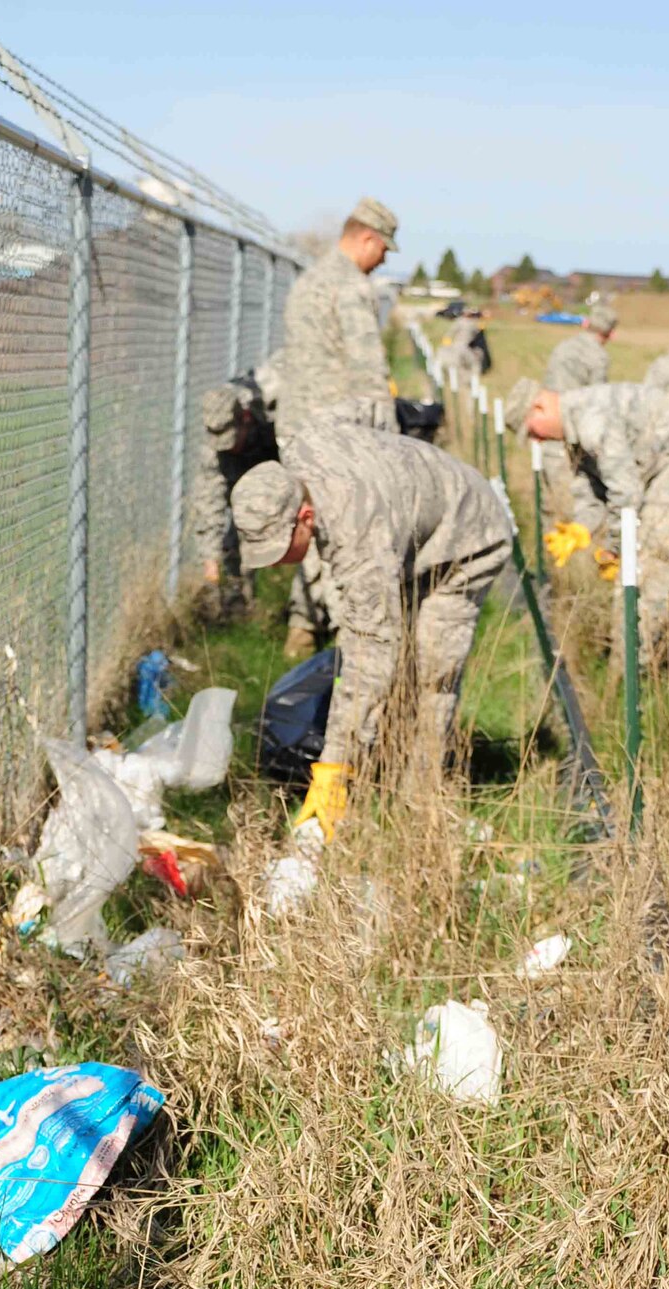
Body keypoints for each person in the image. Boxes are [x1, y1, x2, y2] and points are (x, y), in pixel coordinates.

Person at [230, 423, 512, 840]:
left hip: (465, 539)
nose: (273, 565)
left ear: (305, 517)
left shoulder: (356, 532)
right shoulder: (295, 462)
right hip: (407, 525)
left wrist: (332, 770)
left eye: (277, 550)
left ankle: (422, 806)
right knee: (395, 655)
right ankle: (387, 761)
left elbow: (369, 651)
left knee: (430, 666)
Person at [507, 378, 669, 659]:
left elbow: (626, 494)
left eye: (532, 432)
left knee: (649, 566)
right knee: (656, 567)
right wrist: (580, 528)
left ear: (539, 406)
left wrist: (614, 549)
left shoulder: (591, 419)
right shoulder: (575, 429)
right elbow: (593, 494)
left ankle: (633, 665)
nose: (537, 441)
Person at [276, 198, 400, 440]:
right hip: (334, 435)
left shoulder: (309, 279)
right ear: (368, 239)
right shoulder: (352, 286)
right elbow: (367, 371)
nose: (383, 260)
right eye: (383, 250)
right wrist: (392, 439)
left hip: (293, 424)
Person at [192, 360, 279, 615]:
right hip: (240, 476)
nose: (226, 446)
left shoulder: (269, 404)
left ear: (245, 418)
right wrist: (210, 566)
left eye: (231, 439)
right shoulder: (212, 452)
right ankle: (239, 605)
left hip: (275, 459)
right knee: (231, 543)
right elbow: (209, 506)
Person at [542, 302, 618, 514]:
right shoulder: (598, 357)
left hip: (546, 426)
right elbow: (597, 402)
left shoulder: (563, 345)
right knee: (576, 502)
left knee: (551, 500)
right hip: (572, 434)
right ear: (610, 333)